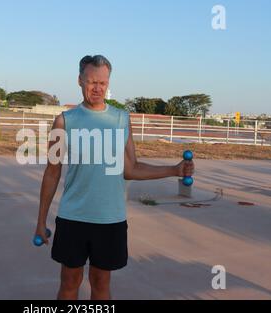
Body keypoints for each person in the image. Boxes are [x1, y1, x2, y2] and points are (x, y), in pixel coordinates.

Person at [35, 55, 195, 300]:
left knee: (101, 282)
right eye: (92, 82)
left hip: (110, 219)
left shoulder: (121, 119)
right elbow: (52, 173)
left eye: (103, 82)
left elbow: (131, 168)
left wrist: (174, 170)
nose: (97, 88)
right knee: (70, 281)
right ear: (80, 80)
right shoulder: (64, 121)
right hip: (73, 217)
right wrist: (40, 221)